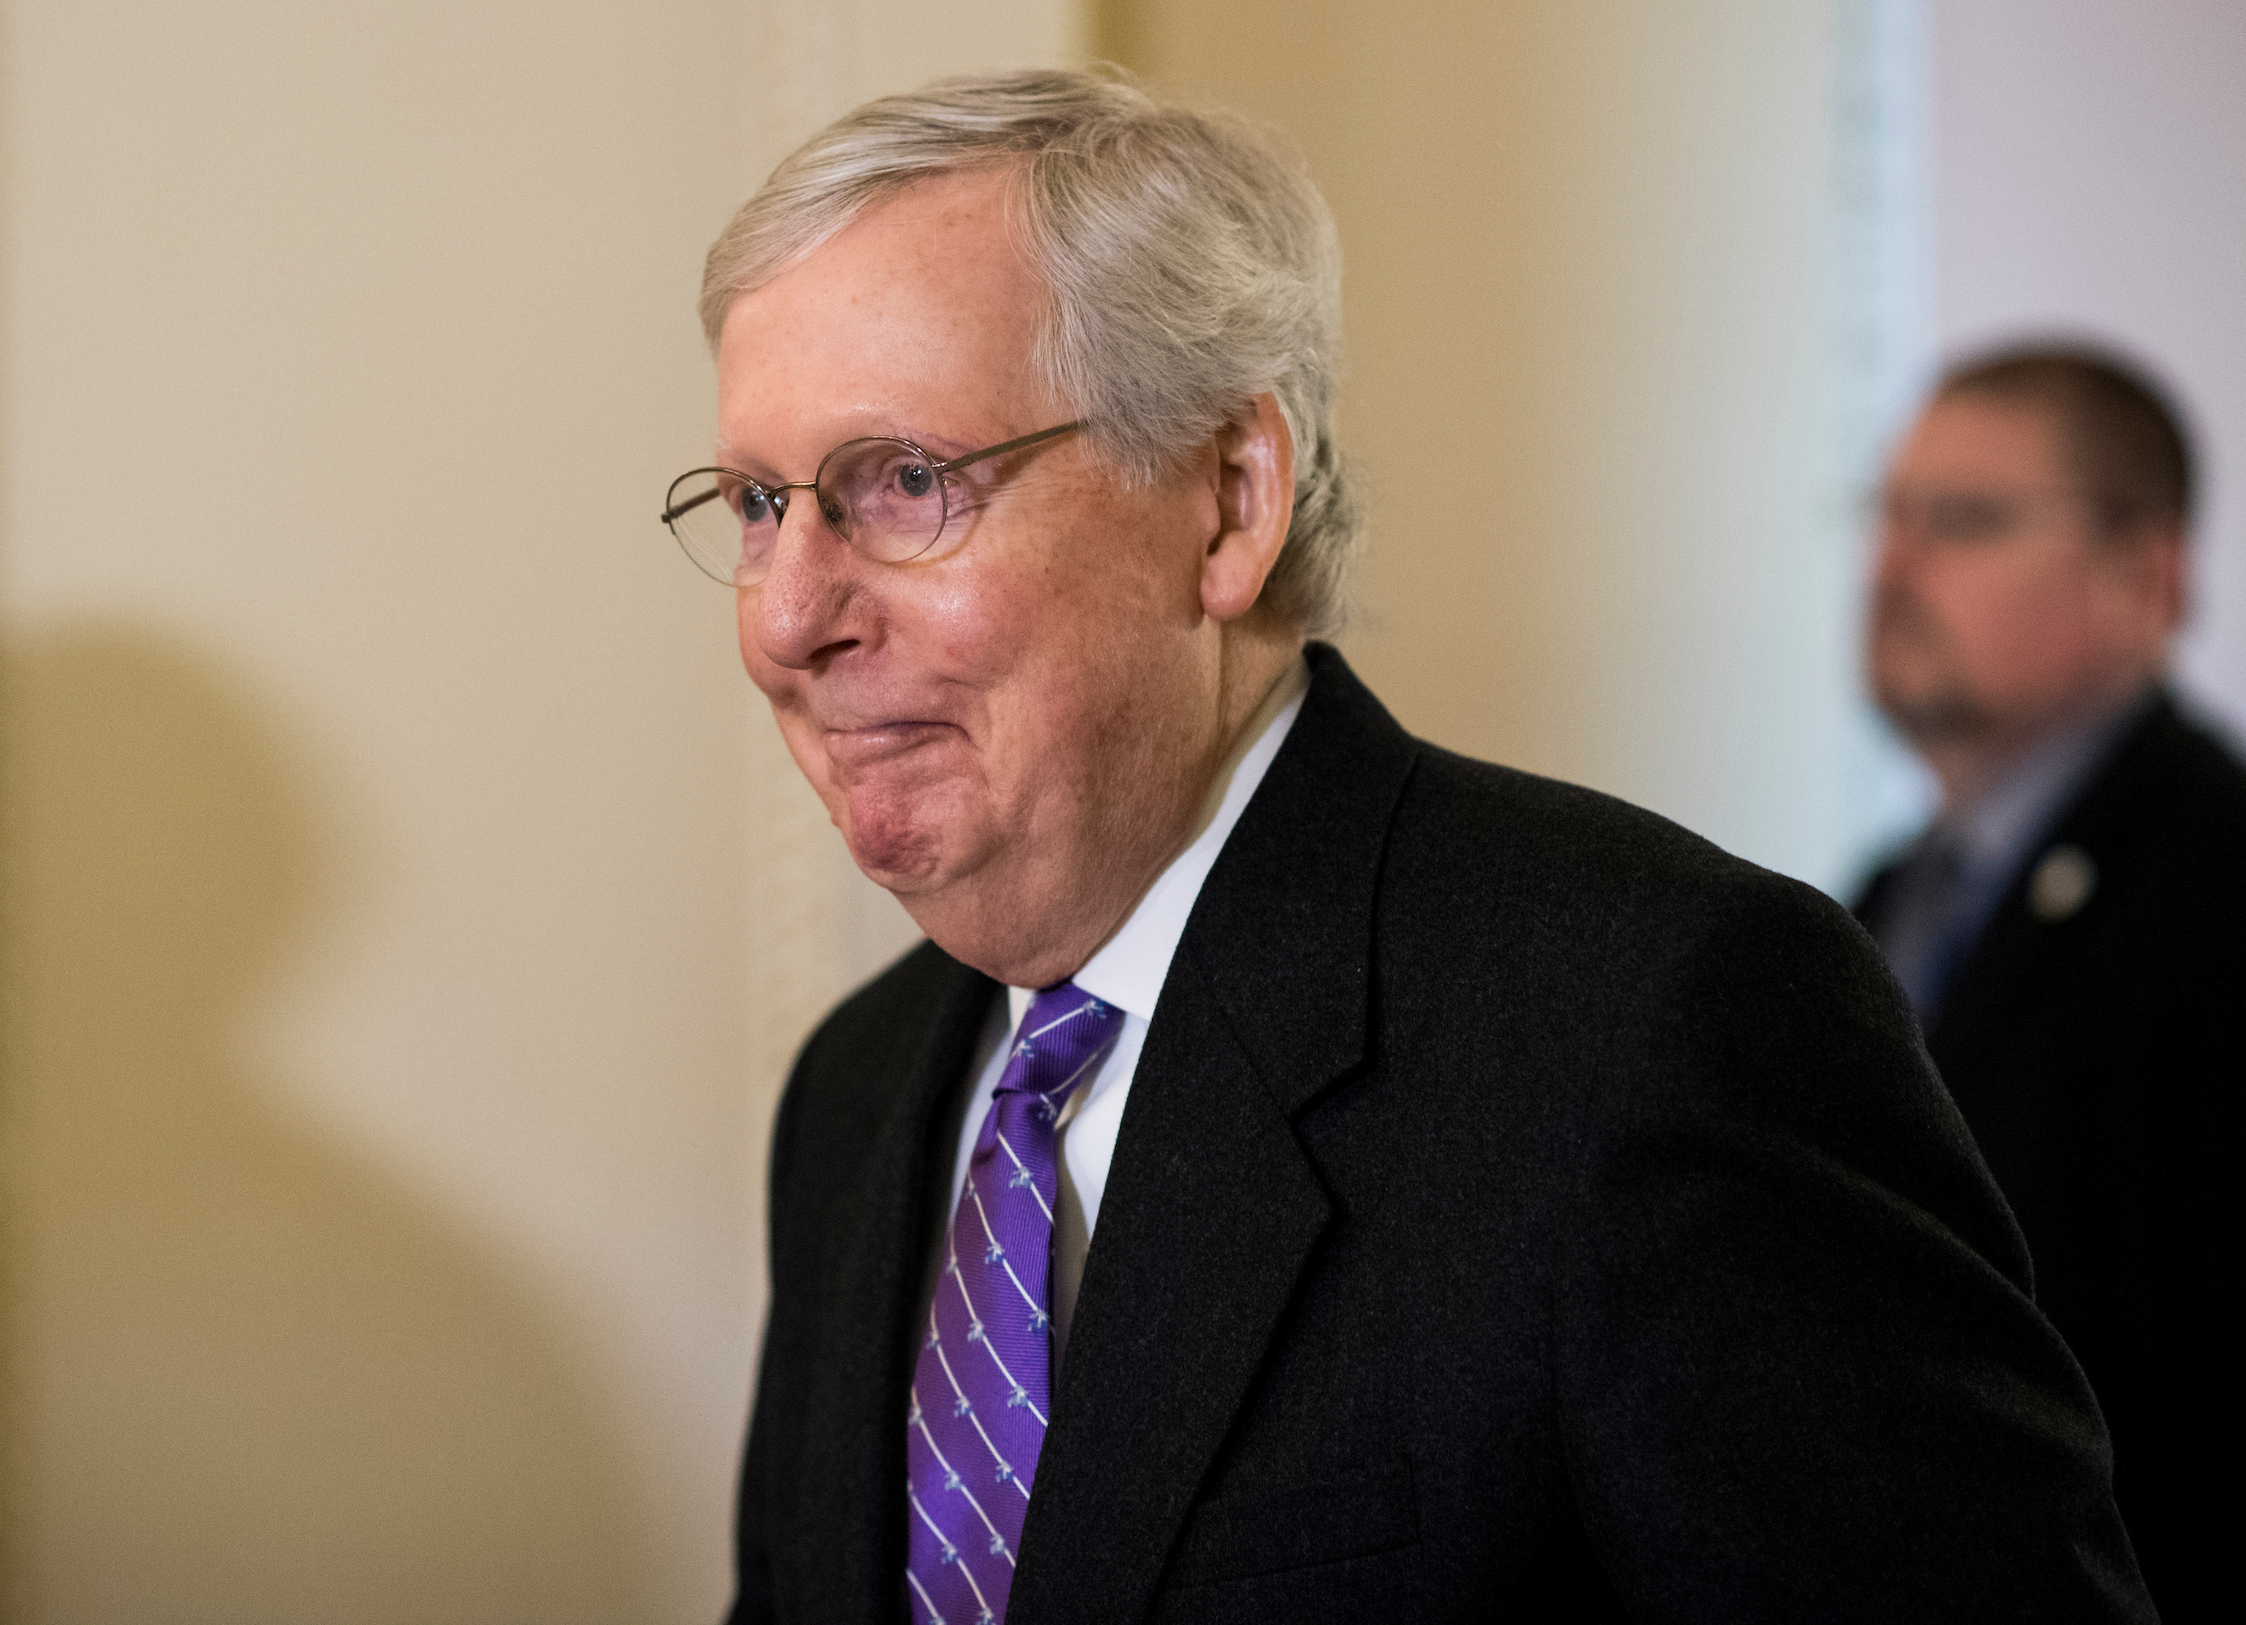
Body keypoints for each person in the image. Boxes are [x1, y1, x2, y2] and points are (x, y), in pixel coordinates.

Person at [679, 71, 2149, 1623]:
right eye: (761, 505)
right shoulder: (860, 1089)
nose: (787, 619)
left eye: (905, 482)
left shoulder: (1656, 1026)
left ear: (1230, 501)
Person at [1855, 345, 2244, 1618]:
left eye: (1961, 521)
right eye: (1888, 513)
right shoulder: (1877, 898)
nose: (1894, 568)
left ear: (2148, 575)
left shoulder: (2218, 881)